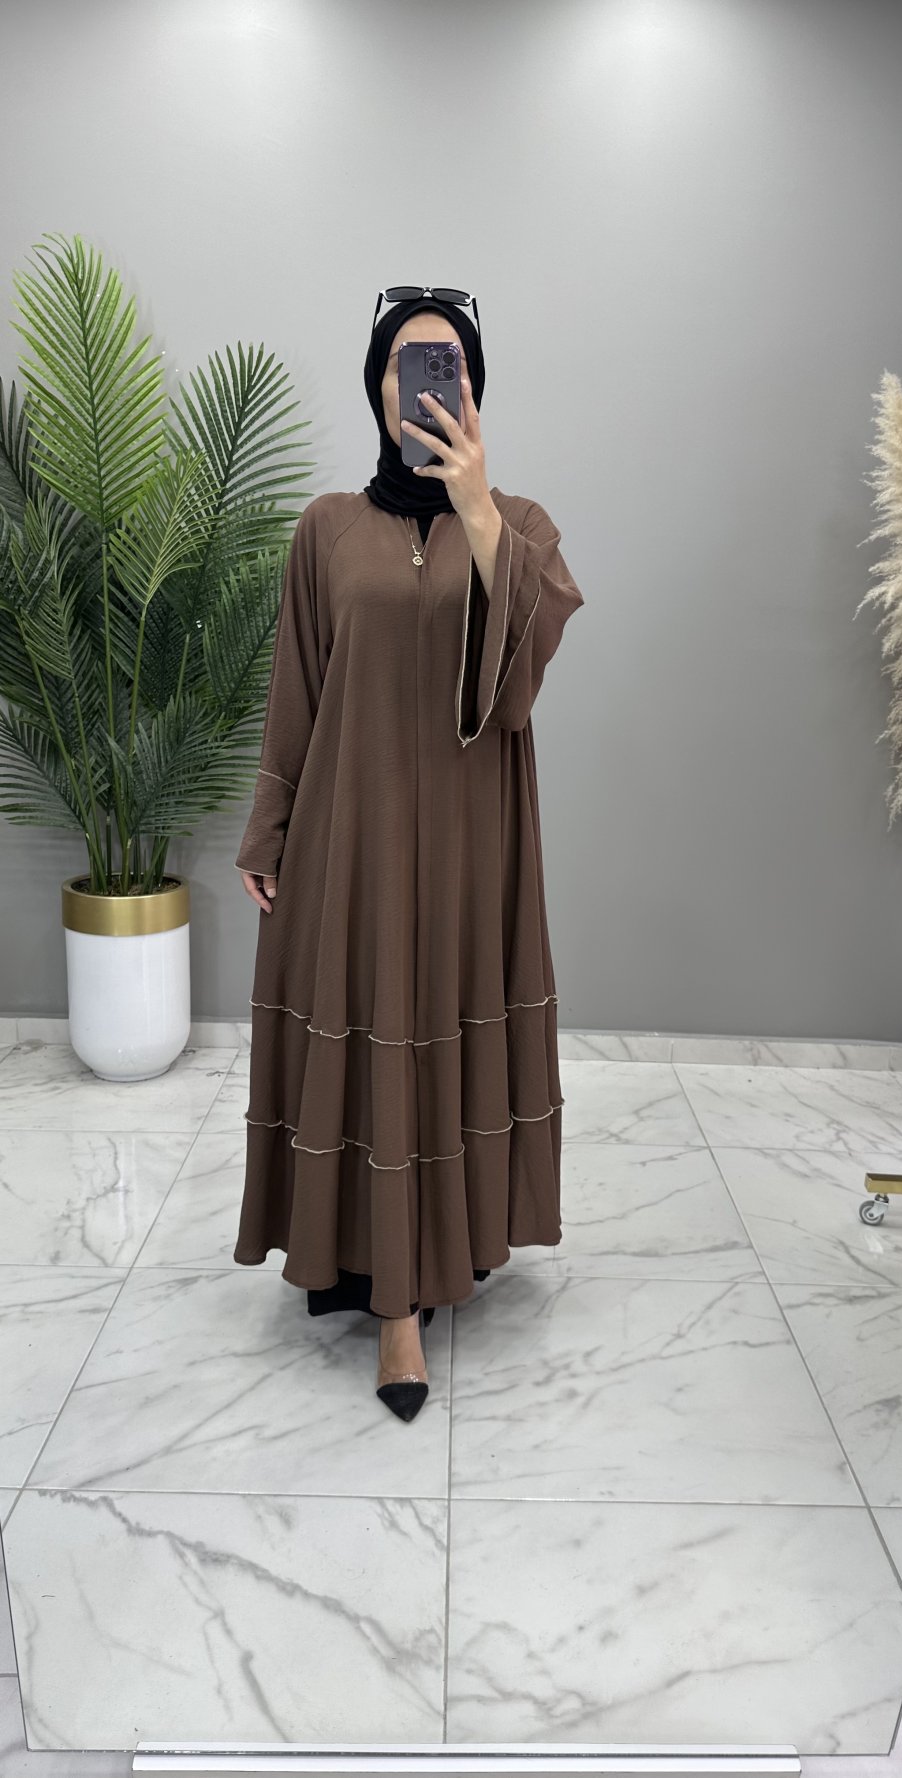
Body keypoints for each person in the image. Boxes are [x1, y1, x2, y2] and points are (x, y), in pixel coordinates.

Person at [232, 289, 584, 1421]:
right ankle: (389, 1302)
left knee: (445, 1027)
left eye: (449, 364)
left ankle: (442, 1255)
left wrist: (475, 508)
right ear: (377, 388)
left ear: (473, 390)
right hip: (355, 835)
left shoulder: (521, 523)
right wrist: (269, 825)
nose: (427, 382)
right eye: (405, 362)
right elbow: (297, 690)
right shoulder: (328, 528)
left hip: (475, 844)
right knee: (373, 1024)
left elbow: (517, 686)